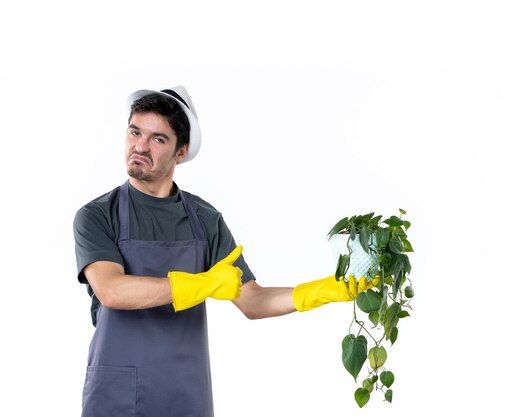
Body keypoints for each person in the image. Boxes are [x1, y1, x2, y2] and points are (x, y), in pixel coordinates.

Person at [73, 86, 374, 417]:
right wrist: (203, 284)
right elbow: (112, 290)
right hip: (116, 395)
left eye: (158, 139)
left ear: (181, 152)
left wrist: (321, 291)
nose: (140, 146)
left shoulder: (204, 220)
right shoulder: (99, 215)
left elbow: (252, 300)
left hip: (185, 392)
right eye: (135, 132)